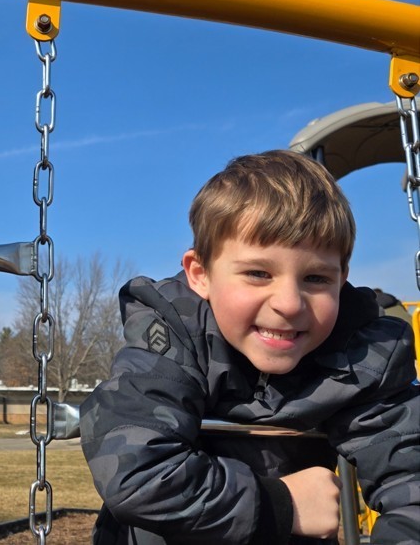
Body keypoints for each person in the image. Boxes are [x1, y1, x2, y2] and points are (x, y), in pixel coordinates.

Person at [80, 150, 419, 545]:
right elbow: (135, 472)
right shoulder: (173, 337)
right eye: (258, 273)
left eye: (315, 278)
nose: (289, 303)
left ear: (342, 279)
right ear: (201, 275)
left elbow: (411, 482)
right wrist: (283, 505)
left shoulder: (363, 356)